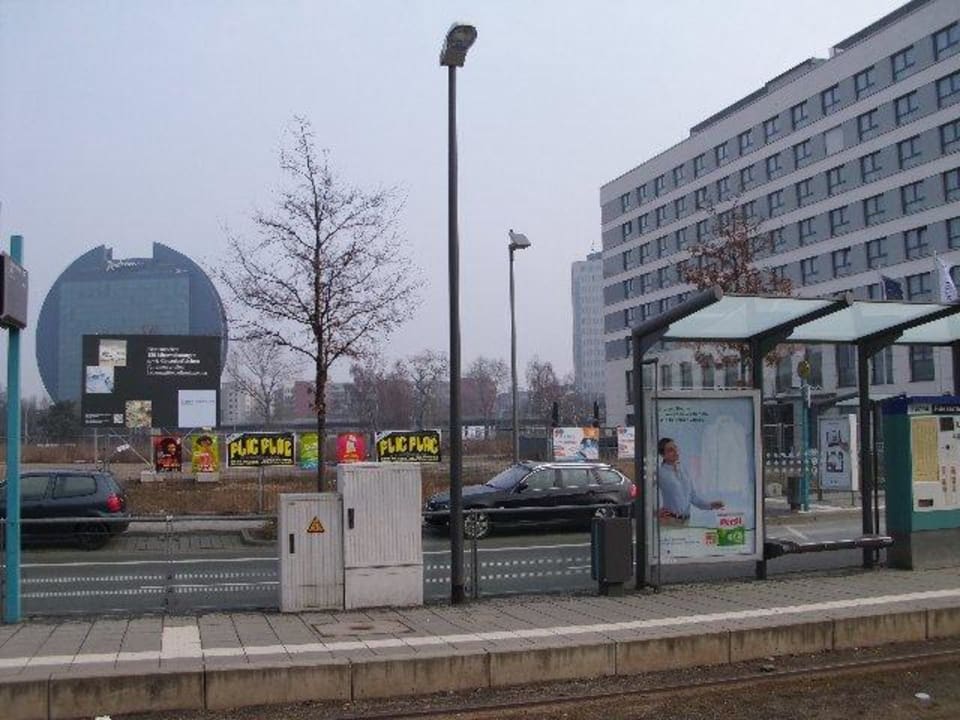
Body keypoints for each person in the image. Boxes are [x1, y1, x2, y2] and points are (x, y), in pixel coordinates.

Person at [657, 437, 723, 522]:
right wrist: (655, 512)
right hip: (670, 520)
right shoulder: (660, 473)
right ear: (663, 455)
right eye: (670, 450)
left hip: (686, 521)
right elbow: (646, 496)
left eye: (675, 447)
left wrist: (710, 505)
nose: (676, 451)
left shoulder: (683, 470)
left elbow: (692, 497)